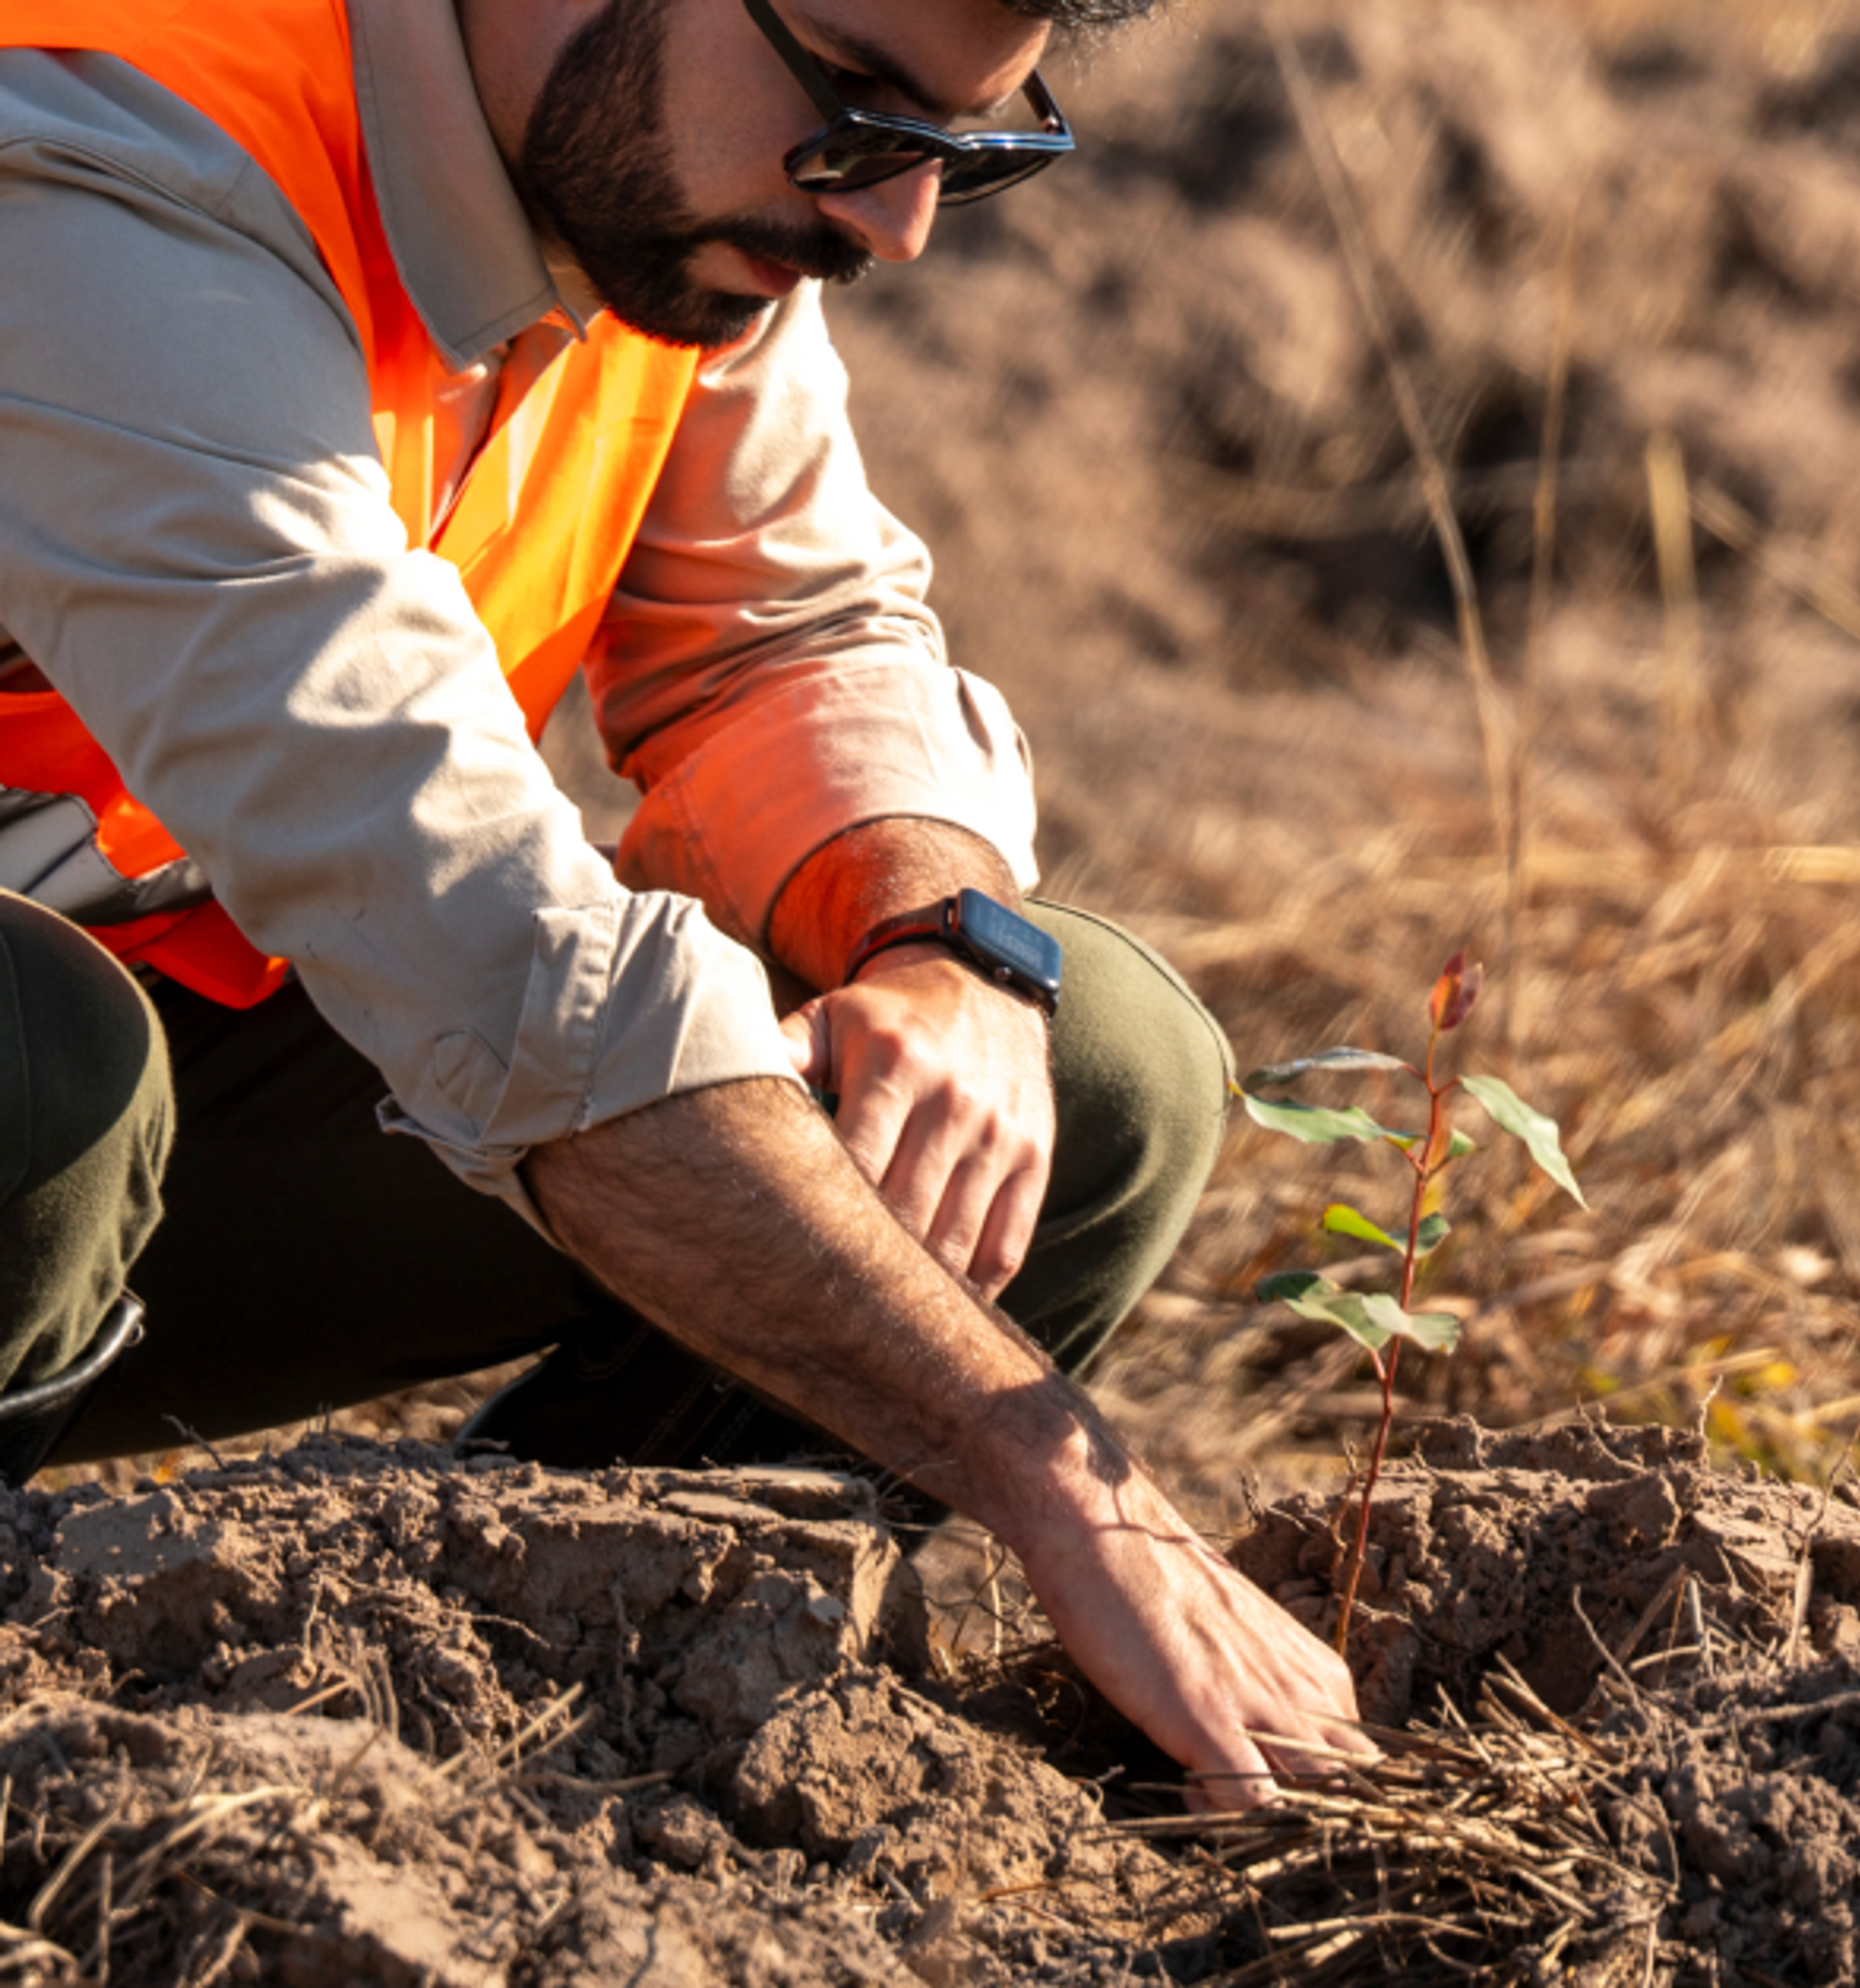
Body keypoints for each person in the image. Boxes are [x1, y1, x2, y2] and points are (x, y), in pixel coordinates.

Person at [0, 0, 1363, 1806]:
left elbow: (782, 636)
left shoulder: (641, 175)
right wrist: (1055, 1479)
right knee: (41, 1066)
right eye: (858, 112)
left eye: (961, 145)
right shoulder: (113, 160)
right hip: (49, 1113)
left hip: (169, 1090)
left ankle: (522, 1776)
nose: (892, 229)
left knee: (1082, 1072)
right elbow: (478, 928)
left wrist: (939, 938)